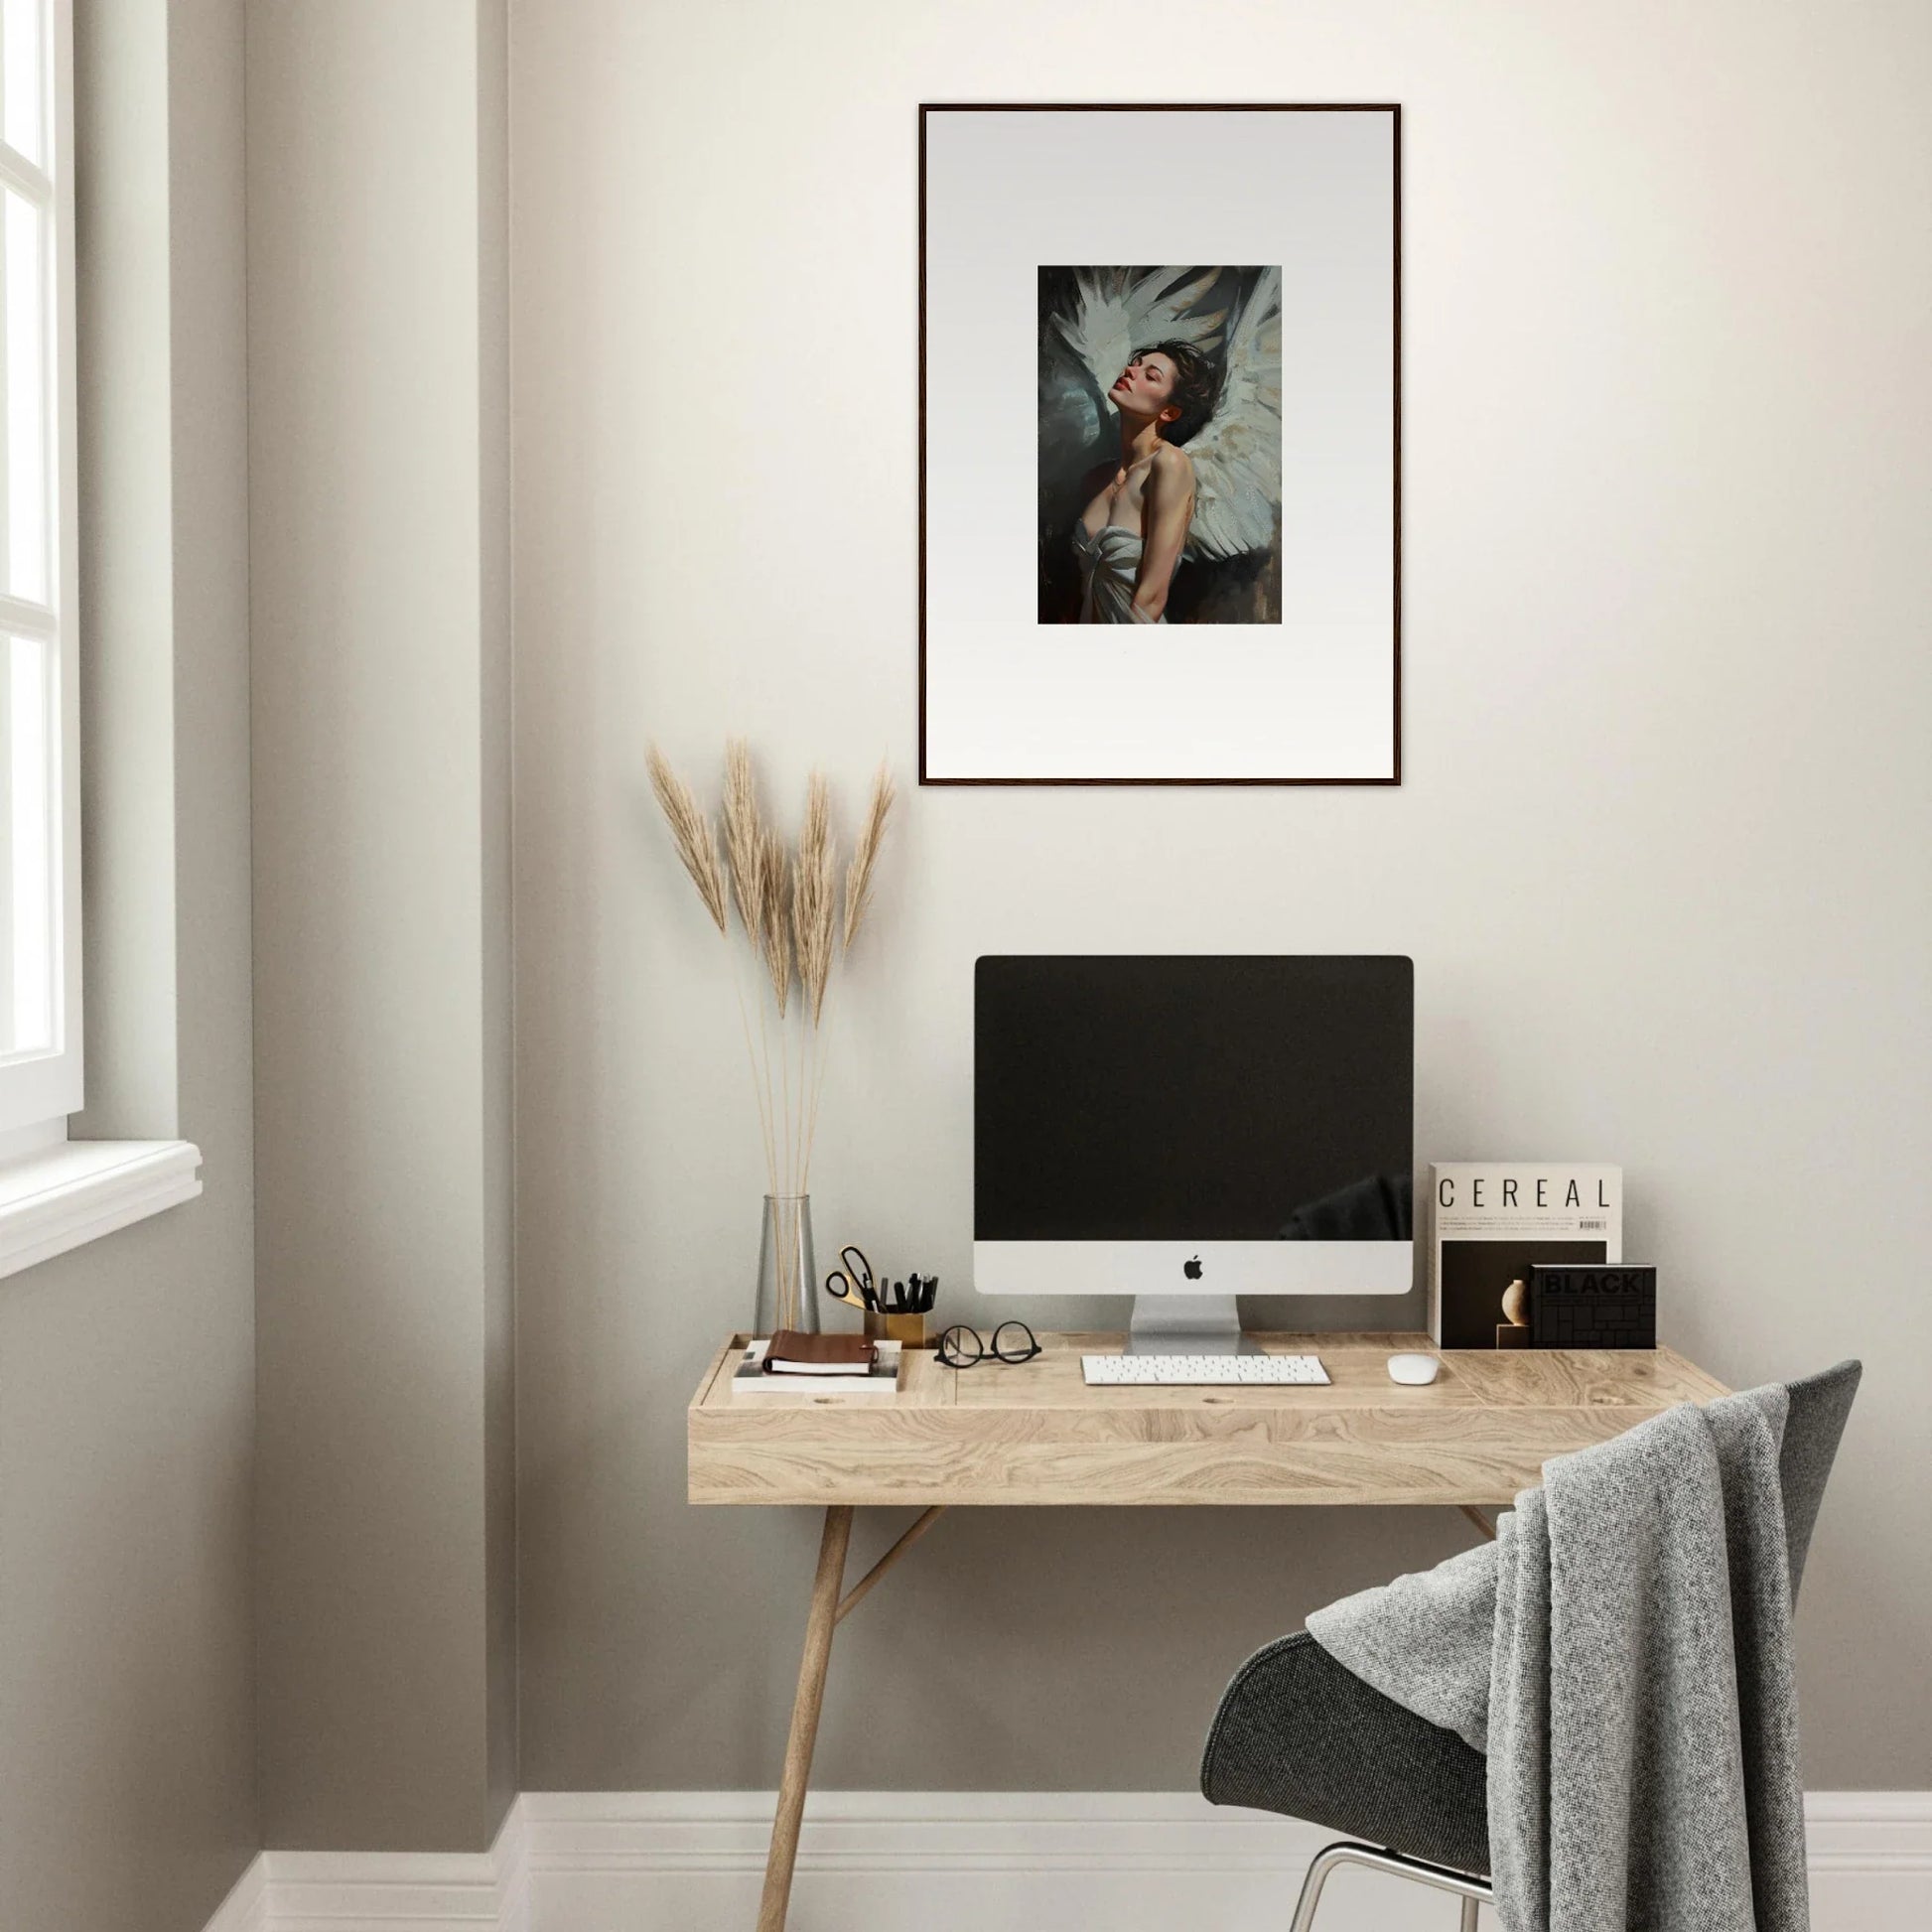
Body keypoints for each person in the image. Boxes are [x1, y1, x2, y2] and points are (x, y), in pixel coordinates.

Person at [1070, 340, 1217, 624]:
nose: (1130, 371)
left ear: (1169, 412)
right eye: (1135, 365)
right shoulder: (1097, 478)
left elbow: (1152, 596)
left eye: (1150, 376)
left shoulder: (1169, 464)